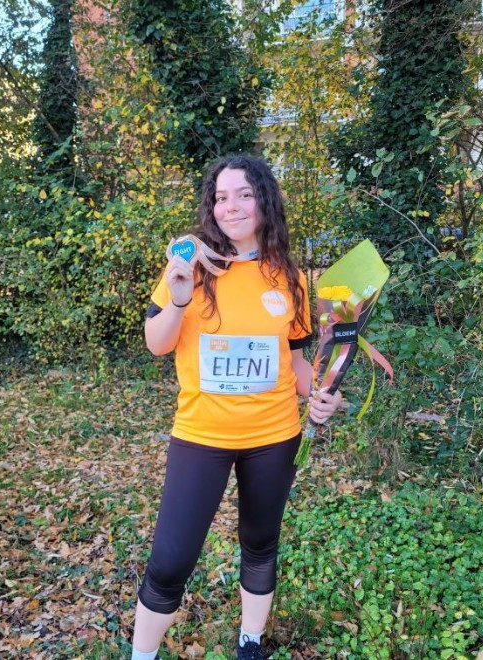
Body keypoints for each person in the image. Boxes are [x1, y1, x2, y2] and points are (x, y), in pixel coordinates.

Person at [131, 155, 342, 660]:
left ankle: (250, 643)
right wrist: (179, 300)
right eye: (221, 197)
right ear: (212, 208)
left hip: (274, 437)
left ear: (264, 201)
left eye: (244, 194)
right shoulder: (189, 266)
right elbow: (157, 344)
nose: (232, 206)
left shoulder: (289, 277)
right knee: (171, 560)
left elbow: (295, 364)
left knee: (260, 542)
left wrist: (321, 391)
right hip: (201, 436)